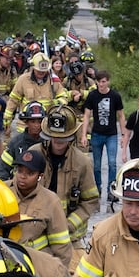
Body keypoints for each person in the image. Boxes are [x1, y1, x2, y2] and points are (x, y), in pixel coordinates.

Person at [35, 106, 99, 261]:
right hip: (37, 233)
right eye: (54, 135)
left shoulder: (82, 162)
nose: (58, 140)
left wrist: (67, 224)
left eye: (63, 136)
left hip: (71, 236)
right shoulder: (34, 155)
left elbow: (90, 201)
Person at [81, 70, 123, 205]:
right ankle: (97, 189)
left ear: (108, 81)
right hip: (96, 134)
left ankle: (111, 190)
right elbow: (86, 116)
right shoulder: (92, 96)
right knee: (97, 165)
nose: (101, 84)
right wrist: (83, 135)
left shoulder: (115, 96)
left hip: (111, 134)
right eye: (99, 82)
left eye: (104, 81)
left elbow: (121, 116)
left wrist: (123, 134)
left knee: (112, 163)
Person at [0, 100, 47, 182]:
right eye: (33, 121)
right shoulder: (16, 143)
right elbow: (2, 168)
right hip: (20, 187)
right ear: (26, 122)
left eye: (39, 121)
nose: (36, 125)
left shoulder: (49, 143)